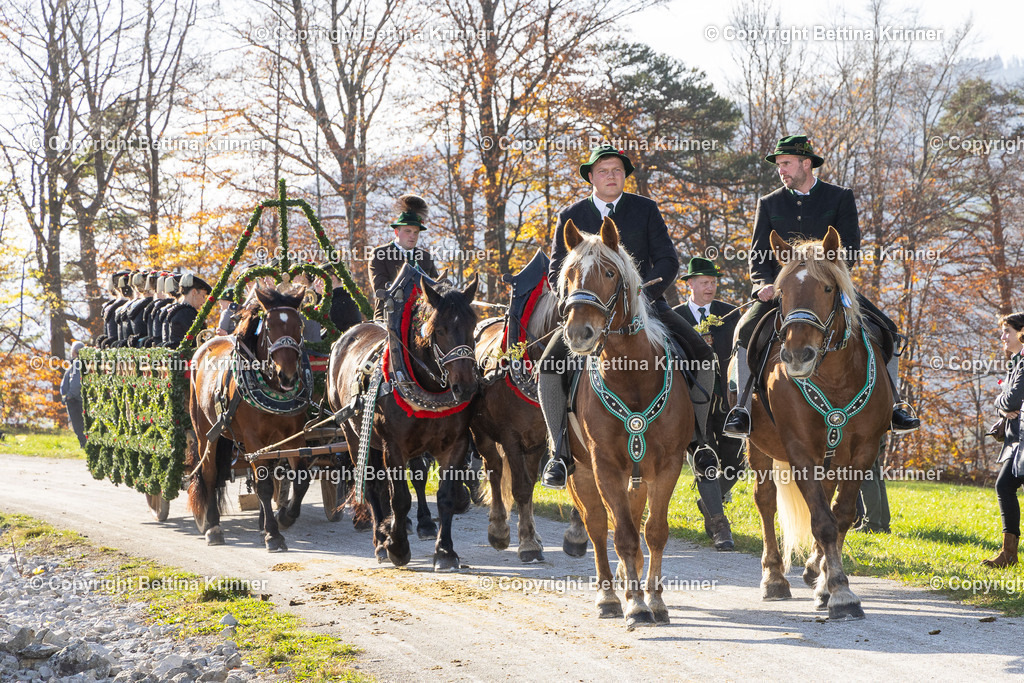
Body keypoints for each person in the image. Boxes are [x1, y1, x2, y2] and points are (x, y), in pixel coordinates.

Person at [538, 145, 717, 489]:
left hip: (648, 307)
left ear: (624, 176)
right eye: (603, 171)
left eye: (617, 170)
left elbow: (667, 260)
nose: (611, 176)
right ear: (591, 177)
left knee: (703, 356)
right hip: (588, 314)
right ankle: (559, 452)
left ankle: (698, 440)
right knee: (549, 366)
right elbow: (556, 270)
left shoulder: (646, 210)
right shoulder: (570, 215)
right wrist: (574, 302)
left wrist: (643, 297)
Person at [723, 134, 920, 438]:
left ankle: (894, 407)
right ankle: (742, 410)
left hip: (827, 289)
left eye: (786, 164)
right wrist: (762, 284)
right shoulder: (769, 202)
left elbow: (851, 247)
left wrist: (828, 276)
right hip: (783, 292)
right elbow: (758, 254)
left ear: (806, 164)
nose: (781, 170)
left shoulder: (839, 197)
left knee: (887, 328)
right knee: (744, 331)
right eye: (778, 165)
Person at [673, 257, 742, 550]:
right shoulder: (674, 317)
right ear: (690, 284)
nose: (710, 287)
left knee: (736, 461)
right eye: (704, 282)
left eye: (713, 283)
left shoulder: (731, 314)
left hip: (727, 400)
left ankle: (708, 498)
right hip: (690, 402)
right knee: (705, 458)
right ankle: (719, 526)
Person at [982, 312, 1024, 568]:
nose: (1003, 336)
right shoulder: (1016, 361)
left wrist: (1001, 402)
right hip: (1017, 439)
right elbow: (1006, 403)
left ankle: (1009, 554)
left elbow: (1010, 400)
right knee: (1005, 485)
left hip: (1021, 440)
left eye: (1007, 331)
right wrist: (1002, 406)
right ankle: (1009, 554)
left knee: (1005, 485)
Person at [369, 194, 439, 321]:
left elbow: (436, 286)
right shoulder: (380, 254)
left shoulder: (426, 257)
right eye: (408, 231)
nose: (412, 236)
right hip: (389, 315)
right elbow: (380, 287)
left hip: (423, 318)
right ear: (396, 231)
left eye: (416, 232)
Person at [162, 272, 212, 347]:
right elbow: (197, 341)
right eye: (203, 296)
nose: (204, 301)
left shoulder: (178, 310)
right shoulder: (187, 313)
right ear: (194, 292)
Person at [60, 341, 87, 448]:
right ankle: (84, 444)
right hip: (75, 399)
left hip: (74, 400)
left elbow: (76, 383)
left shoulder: (77, 363)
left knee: (78, 426)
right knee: (79, 425)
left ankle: (84, 445)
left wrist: (69, 395)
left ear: (74, 352)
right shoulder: (78, 363)